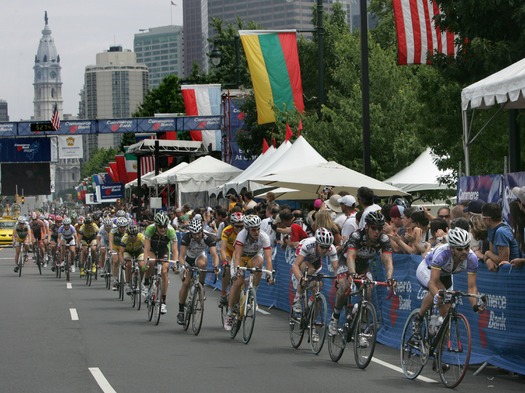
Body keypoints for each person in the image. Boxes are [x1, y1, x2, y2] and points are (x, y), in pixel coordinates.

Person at [330, 211, 396, 335]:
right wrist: (352, 273)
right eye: (373, 228)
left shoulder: (384, 239)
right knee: (344, 286)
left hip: (364, 266)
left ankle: (361, 323)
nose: (377, 231)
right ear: (366, 227)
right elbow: (351, 257)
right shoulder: (357, 236)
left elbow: (388, 261)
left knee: (368, 290)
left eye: (379, 228)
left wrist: (389, 278)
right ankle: (335, 316)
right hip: (346, 262)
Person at [412, 228, 484, 340]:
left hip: (445, 274)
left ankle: (437, 340)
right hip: (427, 269)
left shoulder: (471, 258)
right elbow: (433, 282)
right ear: (452, 248)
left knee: (446, 311)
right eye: (460, 249)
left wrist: (475, 306)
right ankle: (418, 318)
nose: (464, 252)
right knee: (440, 292)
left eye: (466, 247)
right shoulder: (443, 254)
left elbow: (472, 286)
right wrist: (437, 296)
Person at [223, 214, 274, 331]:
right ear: (247, 229)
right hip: (241, 258)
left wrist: (269, 274)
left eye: (258, 228)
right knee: (238, 281)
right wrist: (237, 270)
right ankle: (230, 313)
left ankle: (252, 293)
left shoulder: (264, 237)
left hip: (253, 257)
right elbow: (237, 256)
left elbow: (268, 258)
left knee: (260, 262)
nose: (256, 232)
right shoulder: (241, 235)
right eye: (253, 230)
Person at [176, 219, 220, 325]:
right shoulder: (186, 237)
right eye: (194, 234)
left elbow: (214, 255)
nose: (196, 236)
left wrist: (216, 267)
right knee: (186, 283)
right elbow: (181, 256)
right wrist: (182, 266)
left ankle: (201, 285)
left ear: (202, 231)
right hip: (189, 258)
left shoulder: (208, 237)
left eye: (198, 233)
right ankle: (181, 311)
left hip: (200, 256)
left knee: (202, 265)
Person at [291, 228, 339, 317]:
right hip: (303, 258)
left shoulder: (331, 249)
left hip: (315, 261)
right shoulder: (308, 245)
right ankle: (297, 299)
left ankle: (312, 321)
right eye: (322, 247)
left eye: (327, 247)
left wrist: (337, 280)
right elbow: (295, 266)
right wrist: (301, 279)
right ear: (317, 243)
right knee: (309, 271)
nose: (325, 250)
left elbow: (336, 268)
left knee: (318, 286)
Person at [143, 212, 179, 315]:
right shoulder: (150, 229)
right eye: (160, 227)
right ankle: (146, 281)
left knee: (164, 272)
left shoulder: (171, 231)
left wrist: (175, 264)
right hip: (152, 249)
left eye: (164, 226)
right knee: (151, 262)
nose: (162, 229)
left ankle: (163, 302)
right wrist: (146, 263)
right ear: (156, 225)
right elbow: (146, 249)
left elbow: (175, 250)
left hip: (164, 250)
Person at [481, 202, 520, 271]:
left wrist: (487, 253)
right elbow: (492, 253)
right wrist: (487, 259)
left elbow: (503, 260)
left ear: (488, 219)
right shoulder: (491, 229)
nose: (481, 220)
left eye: (482, 218)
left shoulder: (501, 232)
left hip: (513, 274)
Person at [219, 211, 244, 306]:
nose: (239, 228)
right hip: (229, 252)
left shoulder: (246, 231)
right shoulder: (227, 231)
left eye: (242, 226)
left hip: (240, 253)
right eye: (237, 226)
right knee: (228, 268)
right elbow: (223, 248)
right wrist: (225, 260)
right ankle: (223, 293)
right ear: (232, 224)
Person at [119, 224, 145, 296]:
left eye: (134, 235)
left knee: (141, 265)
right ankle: (127, 284)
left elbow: (147, 249)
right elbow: (120, 252)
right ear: (128, 234)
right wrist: (122, 262)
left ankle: (141, 282)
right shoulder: (125, 238)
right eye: (131, 235)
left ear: (137, 234)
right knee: (128, 264)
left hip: (139, 251)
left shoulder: (141, 237)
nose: (133, 237)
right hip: (128, 251)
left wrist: (146, 260)